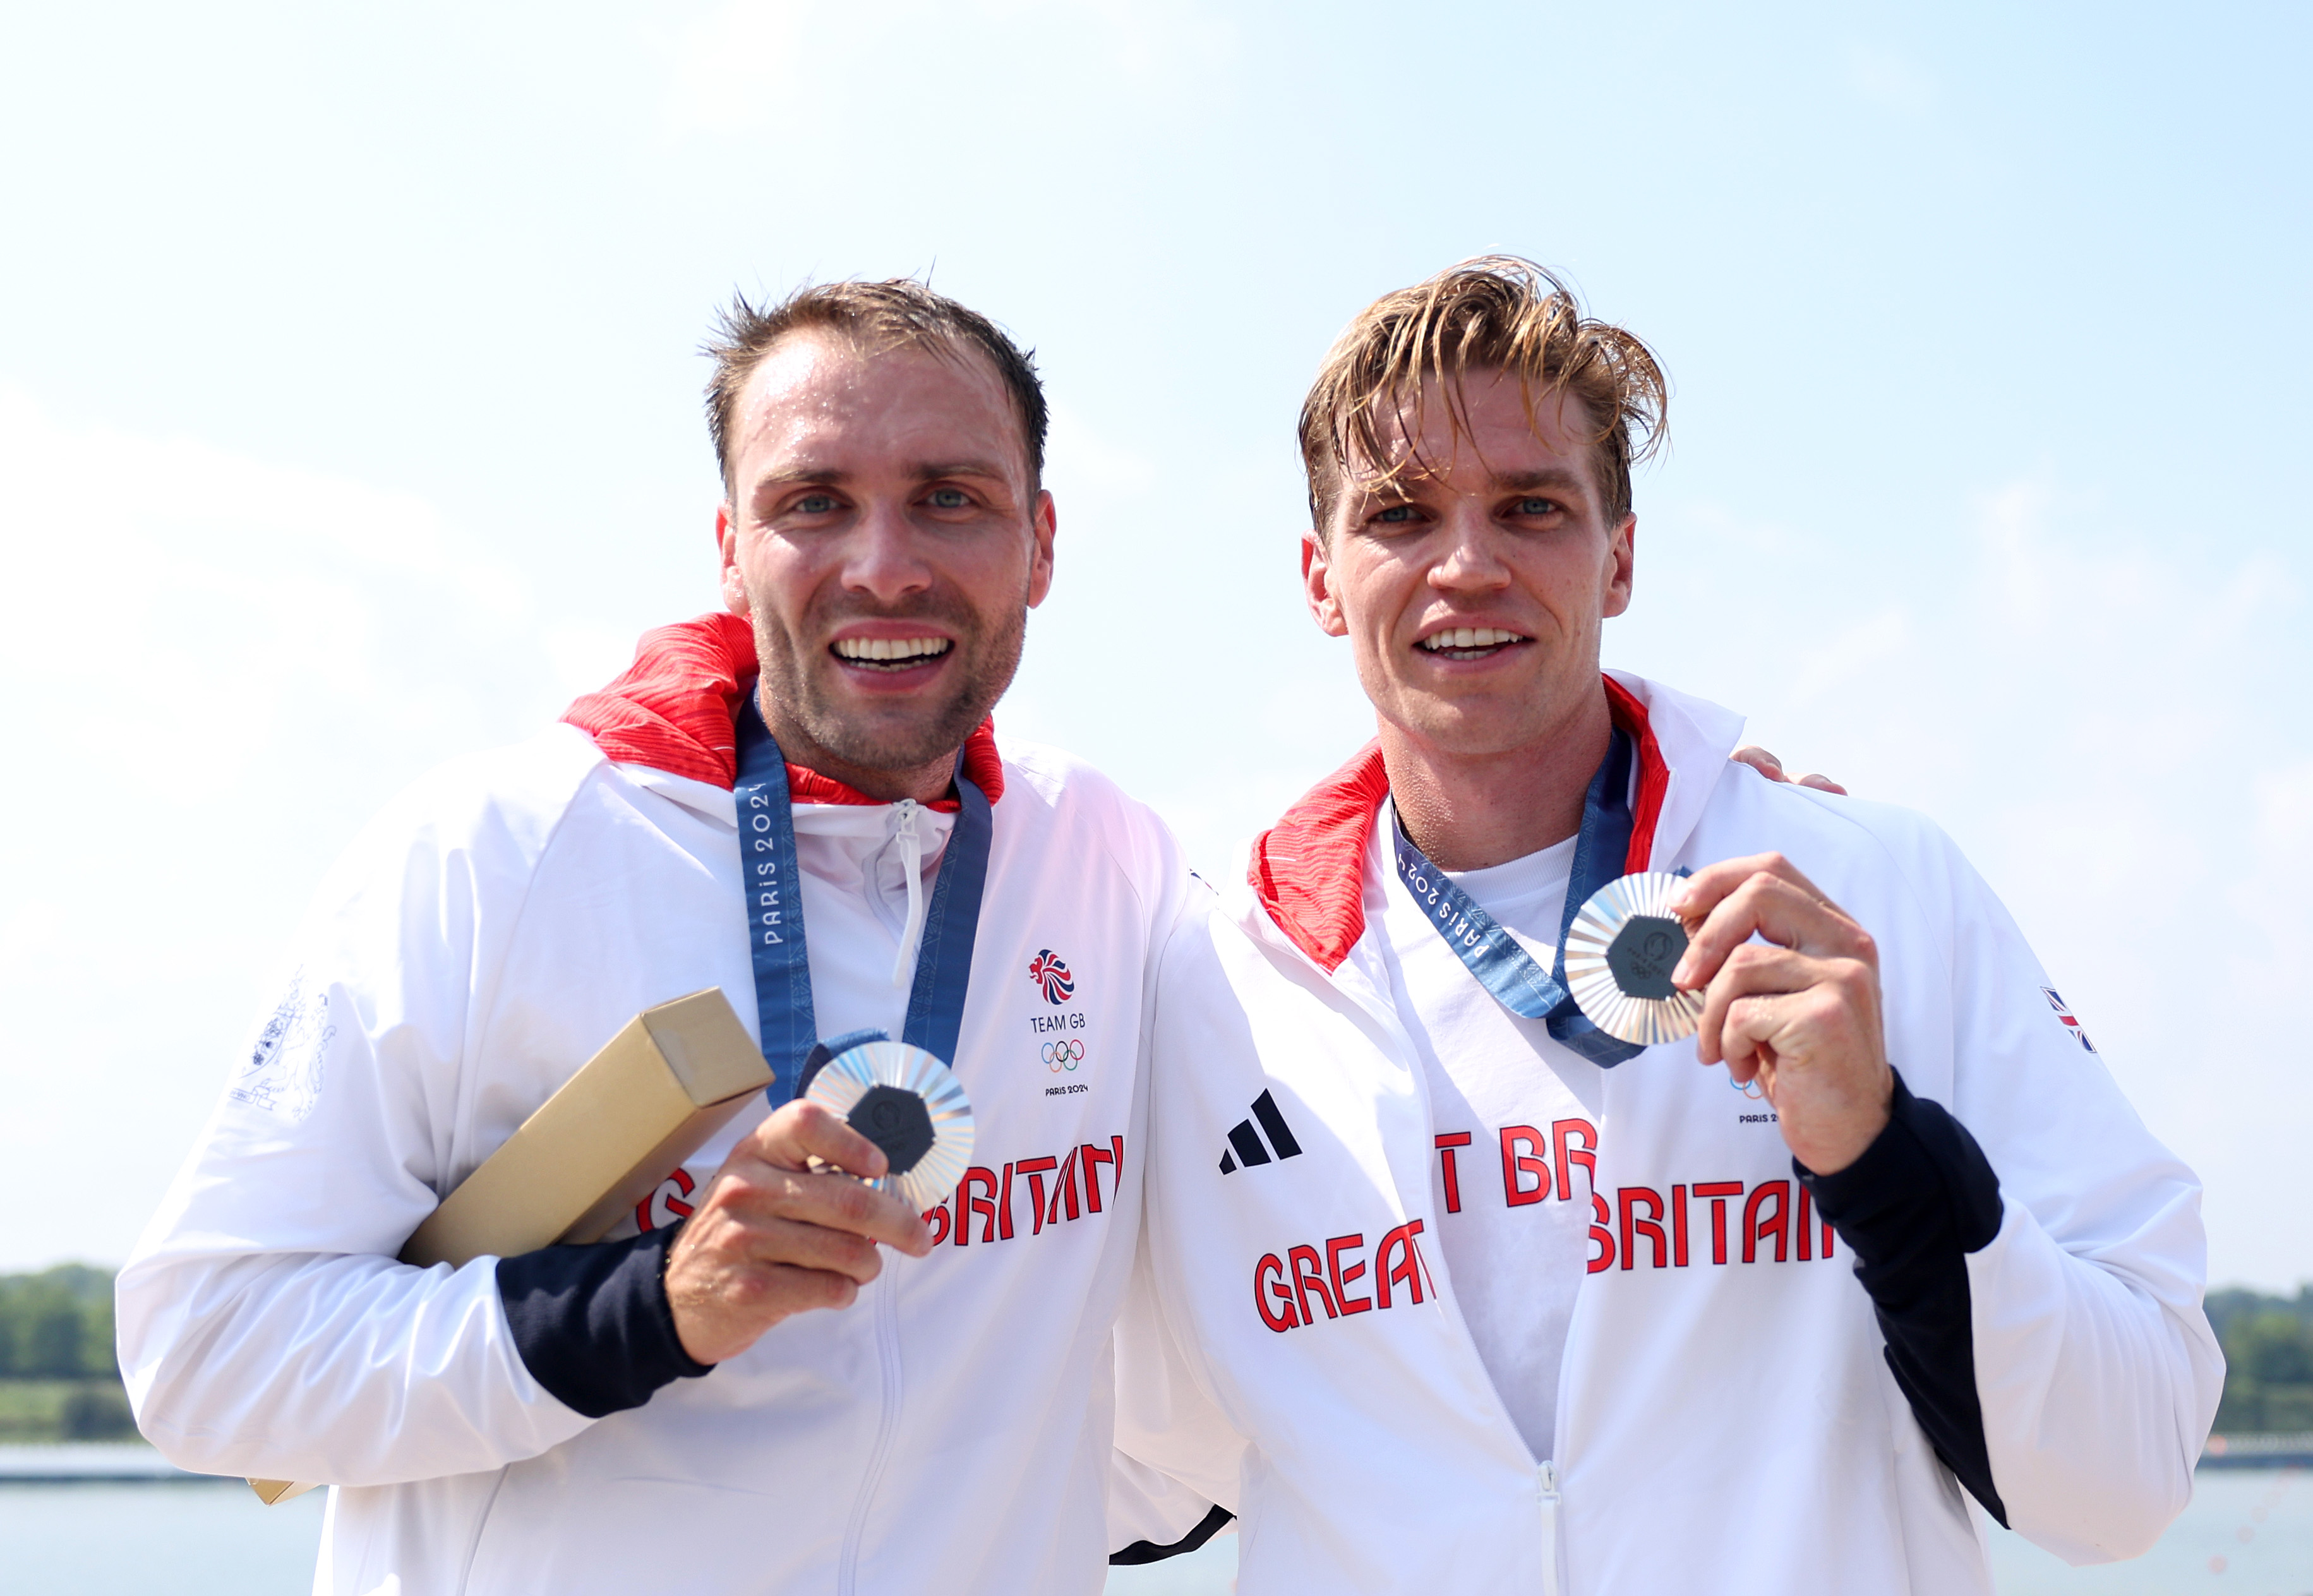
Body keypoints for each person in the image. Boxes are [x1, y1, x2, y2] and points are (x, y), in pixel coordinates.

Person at [1115, 257, 2223, 1593]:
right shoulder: (1218, 980)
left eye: (1531, 508)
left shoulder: (1876, 886)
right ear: (1320, 578)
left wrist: (1882, 1153)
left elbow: (2134, 1470)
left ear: (1618, 555)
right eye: (1401, 515)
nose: (1466, 565)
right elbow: (1131, 1460)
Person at [116, 280, 1196, 1594]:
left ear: (1041, 542)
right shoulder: (491, 850)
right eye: (814, 503)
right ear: (732, 547)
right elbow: (207, 1361)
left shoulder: (1110, 860)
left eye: (951, 497)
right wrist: (654, 1307)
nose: (885, 564)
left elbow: (1165, 1374)